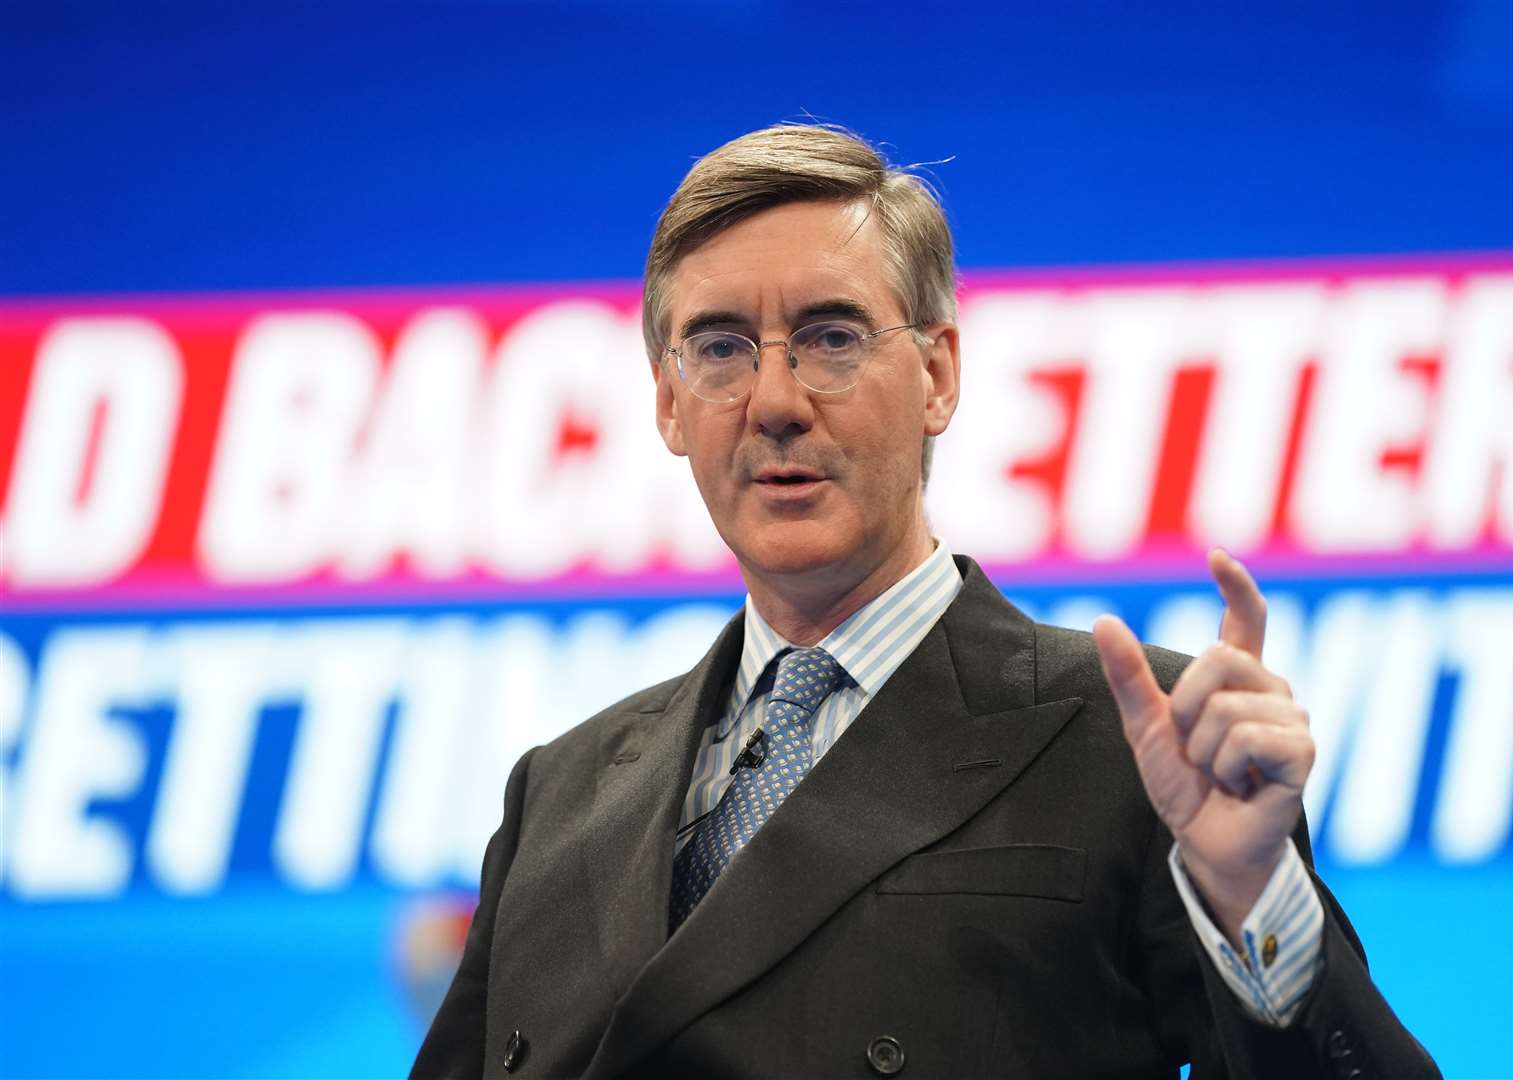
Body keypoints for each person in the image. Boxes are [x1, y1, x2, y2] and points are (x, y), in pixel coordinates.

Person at [412, 124, 1439, 1079]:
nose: (774, 402)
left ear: (939, 372)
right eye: (721, 347)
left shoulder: (1139, 745)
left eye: (831, 338)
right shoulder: (559, 792)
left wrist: (1254, 900)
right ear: (669, 402)